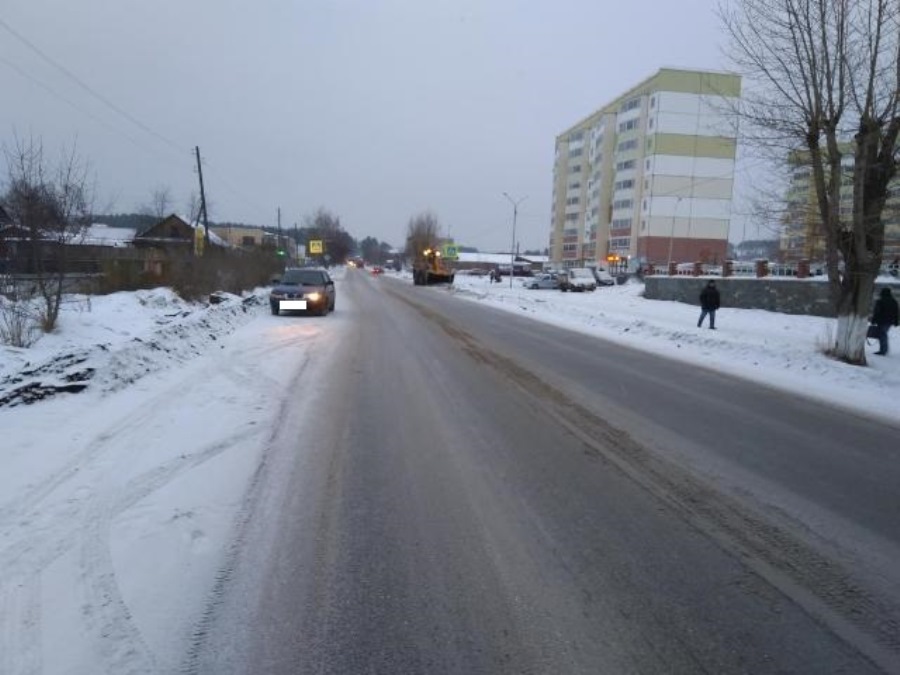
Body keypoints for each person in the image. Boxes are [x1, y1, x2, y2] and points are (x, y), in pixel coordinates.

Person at [870, 287, 899, 355]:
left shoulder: (880, 301)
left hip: (882, 321)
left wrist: (873, 320)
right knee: (883, 334)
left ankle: (883, 350)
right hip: (890, 321)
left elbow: (877, 312)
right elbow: (896, 312)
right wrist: (896, 322)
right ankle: (883, 349)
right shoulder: (894, 301)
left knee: (882, 335)